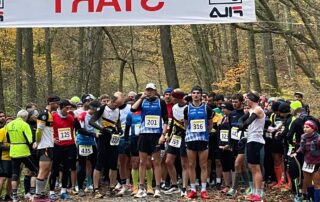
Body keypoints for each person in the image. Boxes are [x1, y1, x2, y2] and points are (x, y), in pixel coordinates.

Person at [131, 83, 168, 198]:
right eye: (148, 90)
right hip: (143, 134)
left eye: (151, 90)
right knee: (142, 162)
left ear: (155, 91)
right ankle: (141, 188)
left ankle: (157, 188)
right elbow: (133, 109)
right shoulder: (142, 101)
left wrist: (163, 135)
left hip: (156, 135)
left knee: (156, 162)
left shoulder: (161, 102)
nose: (149, 92)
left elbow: (165, 120)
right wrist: (141, 97)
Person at [89, 93, 124, 198]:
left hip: (113, 138)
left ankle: (112, 188)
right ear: (112, 101)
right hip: (103, 138)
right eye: (116, 104)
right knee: (100, 163)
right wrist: (101, 129)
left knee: (113, 164)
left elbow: (116, 121)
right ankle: (96, 189)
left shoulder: (117, 110)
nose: (117, 107)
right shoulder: (102, 108)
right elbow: (91, 121)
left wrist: (120, 129)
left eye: (119, 105)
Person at [184, 86, 213, 199]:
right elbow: (186, 124)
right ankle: (193, 190)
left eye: (198, 93)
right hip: (191, 139)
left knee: (203, 165)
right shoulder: (187, 109)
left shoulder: (207, 108)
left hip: (203, 139)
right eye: (194, 93)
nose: (196, 95)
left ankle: (204, 190)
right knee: (191, 164)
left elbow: (210, 124)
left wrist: (206, 133)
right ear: (191, 94)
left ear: (201, 95)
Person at [6, 110, 38, 202]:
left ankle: (15, 197)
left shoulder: (9, 124)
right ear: (25, 117)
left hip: (13, 151)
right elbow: (30, 140)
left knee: (15, 174)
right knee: (35, 170)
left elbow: (8, 139)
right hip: (24, 151)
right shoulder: (25, 125)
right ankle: (32, 194)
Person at [125, 94, 153, 196]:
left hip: (146, 139)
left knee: (148, 162)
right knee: (135, 163)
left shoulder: (148, 111)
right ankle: (135, 187)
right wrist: (127, 141)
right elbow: (127, 128)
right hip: (134, 139)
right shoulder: (130, 114)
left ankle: (149, 186)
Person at [49, 100, 77, 200]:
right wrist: (51, 139)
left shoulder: (70, 117)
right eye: (66, 108)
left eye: (70, 108)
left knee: (66, 169)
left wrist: (75, 117)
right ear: (61, 107)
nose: (68, 110)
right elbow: (47, 129)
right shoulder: (53, 116)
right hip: (58, 147)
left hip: (70, 146)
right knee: (55, 169)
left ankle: (63, 190)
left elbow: (78, 128)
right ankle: (51, 191)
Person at [33, 96, 60, 201]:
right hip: (44, 146)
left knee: (47, 170)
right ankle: (37, 195)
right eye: (56, 103)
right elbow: (39, 130)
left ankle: (42, 193)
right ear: (50, 103)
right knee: (43, 170)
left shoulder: (50, 114)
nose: (57, 105)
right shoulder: (43, 114)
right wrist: (37, 142)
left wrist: (53, 139)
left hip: (50, 145)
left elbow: (48, 131)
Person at [240, 92, 266, 201]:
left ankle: (258, 194)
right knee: (251, 167)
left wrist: (242, 126)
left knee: (255, 168)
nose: (245, 100)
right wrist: (241, 125)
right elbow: (241, 120)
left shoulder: (258, 109)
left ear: (251, 100)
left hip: (256, 139)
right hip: (250, 139)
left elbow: (247, 122)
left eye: (246, 99)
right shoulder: (250, 110)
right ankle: (254, 192)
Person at [164, 89, 188, 196]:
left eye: (172, 97)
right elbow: (173, 121)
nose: (170, 98)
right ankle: (174, 185)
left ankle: (184, 187)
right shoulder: (174, 107)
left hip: (186, 137)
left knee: (184, 163)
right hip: (175, 136)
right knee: (168, 161)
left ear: (177, 98)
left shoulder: (188, 107)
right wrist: (168, 135)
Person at [76, 100, 101, 197]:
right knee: (82, 165)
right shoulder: (82, 115)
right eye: (95, 110)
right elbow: (80, 130)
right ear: (91, 108)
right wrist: (93, 134)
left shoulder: (97, 116)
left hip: (93, 142)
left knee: (95, 164)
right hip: (83, 142)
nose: (96, 112)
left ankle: (95, 186)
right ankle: (81, 188)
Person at [293, 120, 320, 202]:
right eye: (304, 127)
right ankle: (310, 199)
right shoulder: (303, 136)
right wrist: (296, 153)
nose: (305, 129)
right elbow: (301, 147)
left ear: (313, 128)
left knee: (317, 184)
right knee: (307, 183)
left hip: (317, 163)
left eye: (307, 127)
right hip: (307, 161)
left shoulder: (318, 138)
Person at [0, 117, 13, 201]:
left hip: (14, 157)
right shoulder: (1, 131)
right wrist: (11, 147)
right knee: (2, 178)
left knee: (11, 178)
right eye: (8, 122)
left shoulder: (14, 131)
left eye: (11, 122)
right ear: (5, 123)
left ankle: (8, 195)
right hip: (4, 158)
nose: (9, 124)